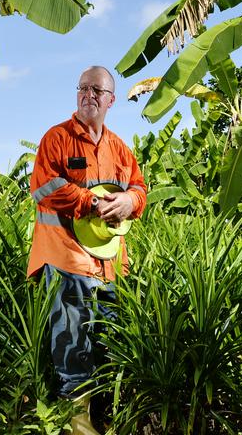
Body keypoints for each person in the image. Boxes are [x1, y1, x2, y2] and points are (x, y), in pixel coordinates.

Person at [27, 66, 147, 433]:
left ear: (111, 100)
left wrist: (129, 200)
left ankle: (107, 414)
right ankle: (76, 422)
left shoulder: (119, 149)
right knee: (72, 342)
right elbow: (43, 188)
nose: (88, 94)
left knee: (108, 339)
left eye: (97, 89)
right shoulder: (57, 139)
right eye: (83, 88)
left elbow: (141, 190)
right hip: (66, 259)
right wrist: (90, 202)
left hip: (110, 266)